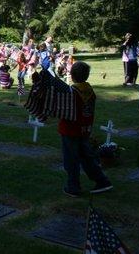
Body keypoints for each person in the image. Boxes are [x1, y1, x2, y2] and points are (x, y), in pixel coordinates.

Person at [56, 61, 113, 197]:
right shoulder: (90, 91)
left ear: (72, 75)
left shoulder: (71, 92)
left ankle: (73, 186)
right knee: (87, 157)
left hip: (70, 130)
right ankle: (102, 180)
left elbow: (62, 110)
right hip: (84, 129)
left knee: (71, 159)